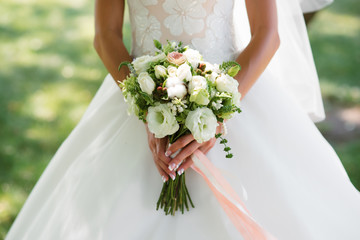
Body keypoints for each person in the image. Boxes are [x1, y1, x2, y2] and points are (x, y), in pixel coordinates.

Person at [5, 0, 360, 239]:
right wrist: (146, 108)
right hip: (137, 92)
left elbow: (267, 35)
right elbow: (106, 35)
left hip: (235, 91)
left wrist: (218, 111)